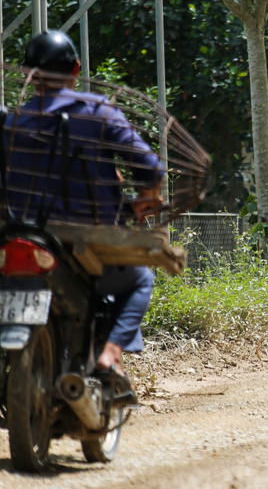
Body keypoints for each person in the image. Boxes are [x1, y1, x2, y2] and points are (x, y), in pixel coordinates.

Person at [6, 30, 164, 402]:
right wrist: (147, 197)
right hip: (80, 246)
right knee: (140, 279)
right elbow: (151, 170)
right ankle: (109, 357)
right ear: (76, 69)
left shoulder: (11, 123)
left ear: (28, 74)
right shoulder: (98, 111)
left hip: (23, 239)